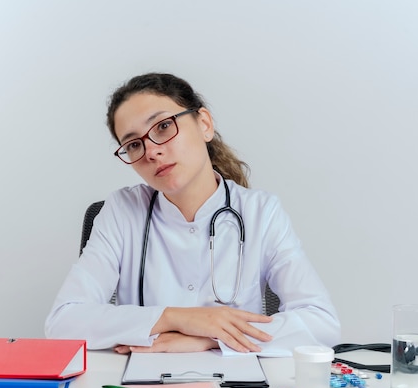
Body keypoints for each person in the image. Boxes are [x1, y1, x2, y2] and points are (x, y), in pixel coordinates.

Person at [45, 73, 340, 354]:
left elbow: (321, 323)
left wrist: (212, 339)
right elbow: (63, 322)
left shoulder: (260, 212)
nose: (151, 152)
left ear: (204, 124)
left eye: (162, 126)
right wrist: (177, 318)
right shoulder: (121, 212)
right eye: (134, 144)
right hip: (142, 382)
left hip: (236, 383)